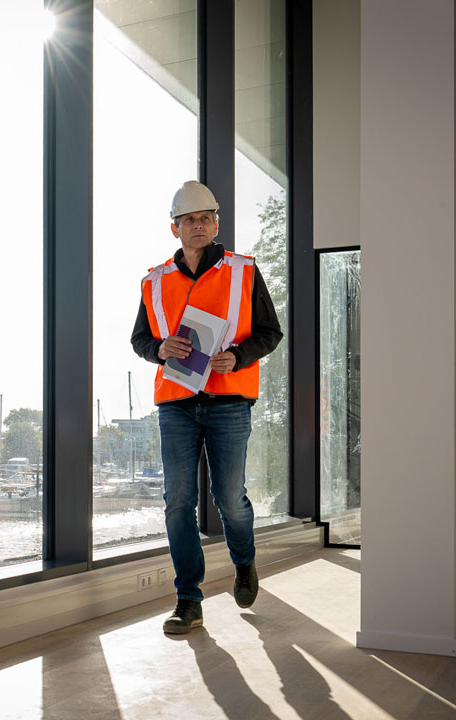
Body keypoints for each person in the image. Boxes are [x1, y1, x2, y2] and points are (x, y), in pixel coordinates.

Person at [130, 180, 283, 634]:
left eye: (204, 219)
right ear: (174, 229)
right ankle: (188, 601)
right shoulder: (154, 281)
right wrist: (160, 349)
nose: (196, 227)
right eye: (188, 221)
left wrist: (239, 356)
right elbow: (140, 339)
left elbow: (270, 332)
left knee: (229, 498)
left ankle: (243, 562)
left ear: (216, 224)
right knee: (178, 501)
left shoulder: (243, 272)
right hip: (176, 403)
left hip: (229, 401)